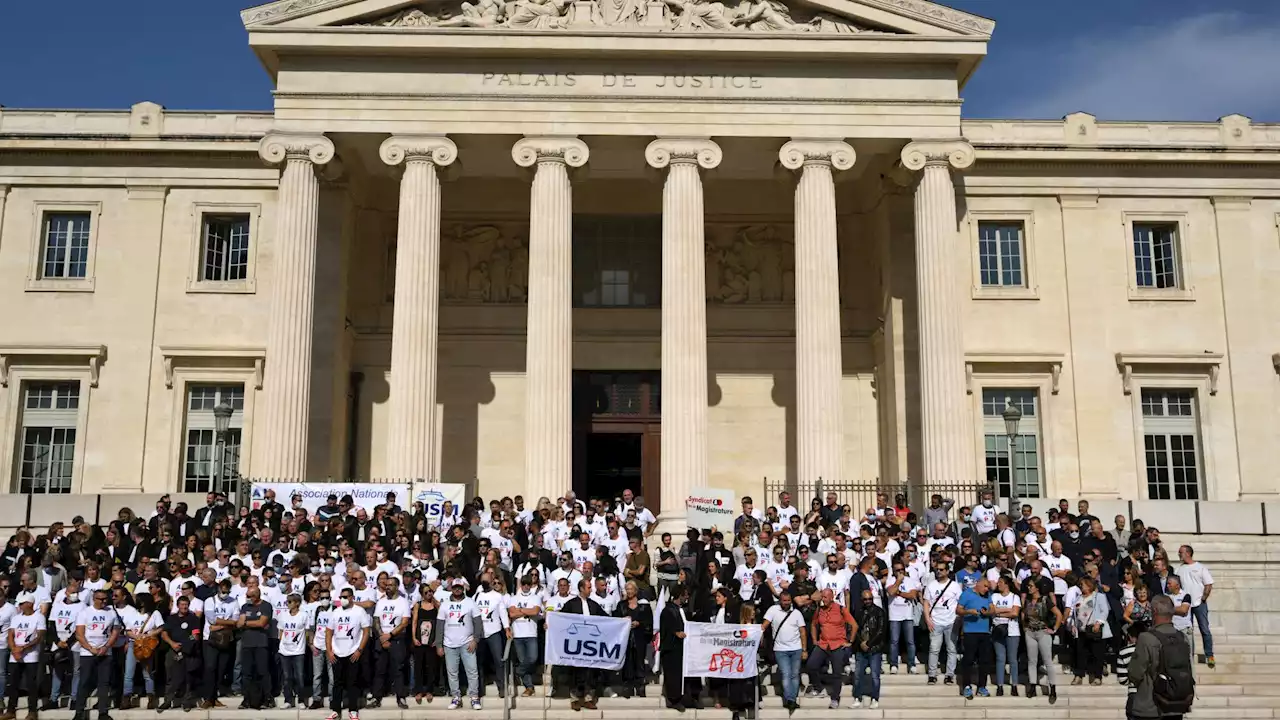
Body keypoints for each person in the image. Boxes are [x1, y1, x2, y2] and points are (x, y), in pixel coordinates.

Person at [1127, 595, 1195, 720]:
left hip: (1151, 706)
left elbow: (1135, 673)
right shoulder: (1182, 638)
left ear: (1155, 612)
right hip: (1176, 706)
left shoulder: (1146, 638)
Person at [72, 588, 121, 720]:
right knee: (84, 682)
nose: (104, 601)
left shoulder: (111, 612)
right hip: (87, 652)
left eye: (105, 599)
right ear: (94, 599)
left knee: (104, 683)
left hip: (105, 652)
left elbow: (115, 631)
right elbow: (79, 634)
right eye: (101, 599)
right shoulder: (84, 613)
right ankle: (79, 712)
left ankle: (103, 712)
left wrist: (106, 646)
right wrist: (90, 648)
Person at [435, 579, 482, 711]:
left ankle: (474, 697)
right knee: (452, 673)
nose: (457, 590)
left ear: (463, 588)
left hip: (467, 643)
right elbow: (440, 626)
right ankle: (456, 697)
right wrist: (439, 645)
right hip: (449, 644)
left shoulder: (470, 603)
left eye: (459, 587)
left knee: (472, 671)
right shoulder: (445, 605)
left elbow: (478, 623)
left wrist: (475, 640)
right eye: (455, 587)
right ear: (451, 588)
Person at [806, 588, 856, 709]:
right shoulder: (819, 610)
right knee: (811, 665)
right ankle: (818, 687)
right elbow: (813, 624)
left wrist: (850, 641)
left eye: (825, 597)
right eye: (822, 597)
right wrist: (814, 640)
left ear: (831, 597)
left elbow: (854, 625)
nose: (822, 599)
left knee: (836, 673)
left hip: (838, 644)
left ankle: (835, 698)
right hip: (823, 643)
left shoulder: (840, 609)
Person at [762, 590, 806, 713]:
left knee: (795, 675)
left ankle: (792, 699)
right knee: (786, 674)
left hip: (796, 648)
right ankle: (790, 699)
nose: (786, 603)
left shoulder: (797, 613)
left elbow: (803, 632)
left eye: (788, 601)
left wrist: (804, 649)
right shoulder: (773, 610)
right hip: (780, 649)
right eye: (784, 600)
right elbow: (764, 626)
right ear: (780, 600)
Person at [5, 593, 45, 720]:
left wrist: (23, 648)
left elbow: (39, 637)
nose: (20, 606)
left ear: (30, 604)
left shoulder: (39, 617)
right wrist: (14, 649)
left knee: (31, 684)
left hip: (31, 655)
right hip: (15, 655)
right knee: (13, 683)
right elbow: (11, 635)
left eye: (22, 604)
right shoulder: (16, 618)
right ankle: (10, 710)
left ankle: (32, 711)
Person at [1021, 576, 1061, 702]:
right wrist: (1025, 628)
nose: (1029, 588)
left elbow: (1058, 614)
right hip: (1030, 632)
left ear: (1037, 588)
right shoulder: (1027, 600)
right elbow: (1023, 614)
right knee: (1032, 660)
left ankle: (1052, 688)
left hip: (1043, 632)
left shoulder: (1045, 600)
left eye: (1031, 586)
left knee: (1047, 660)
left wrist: (1054, 628)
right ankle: (1032, 686)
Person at [158, 595, 201, 712]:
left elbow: (195, 635)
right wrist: (172, 644)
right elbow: (164, 634)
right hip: (172, 650)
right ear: (177, 606)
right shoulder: (171, 619)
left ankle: (186, 702)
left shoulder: (194, 619)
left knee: (187, 678)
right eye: (182, 605)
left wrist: (184, 645)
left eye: (186, 605)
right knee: (170, 677)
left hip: (188, 651)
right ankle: (167, 701)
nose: (184, 607)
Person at [659, 586, 699, 712]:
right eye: (685, 594)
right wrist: (675, 633)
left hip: (683, 649)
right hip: (672, 649)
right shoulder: (668, 610)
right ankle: (674, 699)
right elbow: (668, 627)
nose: (687, 597)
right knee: (673, 675)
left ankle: (687, 698)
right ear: (679, 595)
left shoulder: (682, 610)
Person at [922, 562, 962, 685]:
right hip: (936, 621)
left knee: (951, 649)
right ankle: (932, 674)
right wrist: (927, 619)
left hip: (951, 621)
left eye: (941, 569)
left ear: (947, 571)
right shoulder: (931, 585)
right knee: (934, 649)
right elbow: (926, 603)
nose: (939, 572)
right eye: (937, 569)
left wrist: (959, 620)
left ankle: (949, 674)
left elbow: (960, 603)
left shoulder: (955, 586)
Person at [1175, 545, 1214, 669]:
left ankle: (1209, 655)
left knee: (1205, 629)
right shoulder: (1178, 569)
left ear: (1188, 553)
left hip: (1199, 604)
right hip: (1186, 605)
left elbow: (1208, 584)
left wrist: (1203, 598)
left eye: (1181, 552)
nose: (1179, 554)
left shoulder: (1200, 567)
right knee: (1187, 631)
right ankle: (1188, 655)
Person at [956, 577, 994, 699]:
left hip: (985, 632)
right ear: (978, 584)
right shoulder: (966, 594)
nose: (987, 589)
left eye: (988, 587)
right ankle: (966, 686)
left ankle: (982, 686)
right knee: (968, 659)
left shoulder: (987, 596)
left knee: (984, 660)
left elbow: (992, 609)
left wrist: (987, 613)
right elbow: (958, 610)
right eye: (985, 586)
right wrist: (969, 612)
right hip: (970, 632)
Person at [236, 585, 272, 710]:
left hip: (261, 643)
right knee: (246, 673)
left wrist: (247, 622)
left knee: (263, 672)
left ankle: (267, 699)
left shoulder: (266, 606)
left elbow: (262, 623)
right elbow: (239, 623)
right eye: (247, 596)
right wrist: (252, 623)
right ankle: (246, 699)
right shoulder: (245, 607)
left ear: (257, 596)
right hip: (247, 644)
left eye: (250, 596)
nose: (247, 598)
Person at [1072, 576, 1112, 686]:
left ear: (1090, 585)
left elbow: (1104, 611)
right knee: (1080, 653)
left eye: (1083, 584)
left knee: (1097, 653)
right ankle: (1079, 675)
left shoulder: (1099, 597)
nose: (1081, 586)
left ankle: (1097, 676)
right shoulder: (1078, 598)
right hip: (1081, 629)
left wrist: (1098, 622)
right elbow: (1074, 613)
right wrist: (1073, 625)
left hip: (1094, 628)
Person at [851, 589, 885, 709]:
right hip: (861, 648)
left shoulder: (879, 612)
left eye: (870, 599)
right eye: (865, 599)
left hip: (875, 648)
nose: (868, 601)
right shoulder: (858, 612)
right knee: (858, 675)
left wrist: (869, 643)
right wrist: (861, 643)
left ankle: (875, 698)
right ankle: (857, 697)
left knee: (875, 676)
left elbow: (881, 631)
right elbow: (855, 629)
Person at [277, 593, 310, 709]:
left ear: (297, 603)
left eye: (290, 602)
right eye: (287, 601)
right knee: (287, 677)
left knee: (299, 676)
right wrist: (282, 644)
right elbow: (281, 632)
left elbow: (307, 632)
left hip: (298, 651)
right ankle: (288, 700)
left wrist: (304, 644)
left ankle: (301, 700)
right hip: (284, 651)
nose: (288, 604)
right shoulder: (283, 615)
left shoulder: (304, 615)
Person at [989, 575, 1021, 696]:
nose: (998, 584)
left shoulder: (1014, 597)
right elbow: (991, 610)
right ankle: (1000, 685)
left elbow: (1015, 613)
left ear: (1007, 584)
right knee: (1000, 658)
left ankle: (1014, 685)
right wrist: (1007, 610)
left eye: (1001, 582)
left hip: (1012, 631)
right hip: (997, 629)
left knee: (1012, 659)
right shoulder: (994, 596)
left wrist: (999, 613)